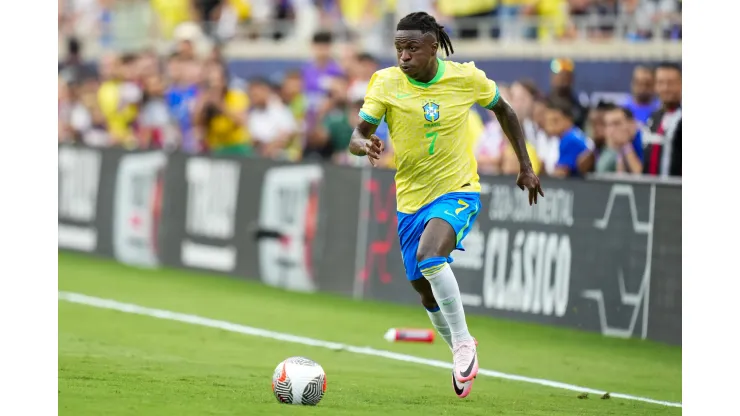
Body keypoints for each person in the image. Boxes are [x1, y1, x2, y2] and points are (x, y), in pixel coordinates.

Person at [348, 11, 543, 399]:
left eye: (411, 48)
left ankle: (464, 343)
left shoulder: (465, 77)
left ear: (433, 47)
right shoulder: (385, 83)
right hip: (410, 200)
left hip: (458, 189)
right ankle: (455, 344)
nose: (403, 56)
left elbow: (505, 110)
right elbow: (357, 134)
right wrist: (363, 145)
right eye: (398, 48)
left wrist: (525, 165)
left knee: (430, 256)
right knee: (422, 287)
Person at [643, 62, 681, 177]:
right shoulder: (653, 117)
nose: (665, 88)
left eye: (671, 83)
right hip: (651, 191)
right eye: (660, 83)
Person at [542, 98, 590, 178]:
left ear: (569, 120)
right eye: (548, 121)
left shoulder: (570, 140)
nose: (550, 126)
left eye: (555, 121)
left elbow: (561, 173)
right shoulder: (569, 136)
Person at [595, 105, 643, 174]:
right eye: (609, 125)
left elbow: (639, 173)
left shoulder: (641, 141)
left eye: (617, 123)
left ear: (630, 124)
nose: (612, 129)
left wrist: (626, 145)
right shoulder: (601, 145)